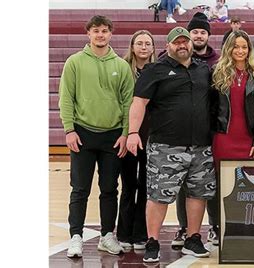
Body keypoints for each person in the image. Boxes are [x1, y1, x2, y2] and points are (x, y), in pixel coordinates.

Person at [127, 27, 215, 262]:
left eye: (185, 41)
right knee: (158, 196)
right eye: (177, 42)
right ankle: (153, 241)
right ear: (168, 46)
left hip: (201, 146)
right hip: (165, 146)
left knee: (198, 194)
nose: (182, 45)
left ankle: (193, 238)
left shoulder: (203, 70)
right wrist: (133, 132)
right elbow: (139, 103)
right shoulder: (155, 70)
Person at [59, 15, 134, 258]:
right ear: (88, 34)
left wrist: (125, 133)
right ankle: (76, 237)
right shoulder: (75, 62)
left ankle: (106, 236)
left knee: (110, 189)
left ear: (111, 34)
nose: (100, 35)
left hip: (112, 137)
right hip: (82, 134)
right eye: (96, 31)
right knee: (79, 189)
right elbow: (66, 98)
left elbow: (127, 104)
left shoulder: (121, 66)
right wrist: (69, 129)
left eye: (104, 30)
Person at [171, 12, 221, 249]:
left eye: (203, 32)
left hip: (210, 132)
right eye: (195, 32)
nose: (199, 35)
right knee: (184, 183)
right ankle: (183, 228)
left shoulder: (218, 62)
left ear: (208, 36)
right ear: (188, 36)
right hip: (182, 134)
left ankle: (214, 226)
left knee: (209, 182)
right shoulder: (172, 59)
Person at [117, 30, 156, 250]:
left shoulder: (158, 70)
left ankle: (141, 233)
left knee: (146, 187)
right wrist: (125, 133)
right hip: (129, 136)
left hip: (151, 137)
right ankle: (123, 233)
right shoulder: (123, 69)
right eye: (139, 43)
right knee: (129, 185)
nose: (143, 47)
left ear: (153, 48)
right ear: (132, 46)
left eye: (147, 43)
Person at [211, 29, 254, 168]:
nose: (240, 51)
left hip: (249, 139)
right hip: (223, 138)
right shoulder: (216, 71)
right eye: (236, 47)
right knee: (223, 184)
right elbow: (211, 107)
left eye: (244, 47)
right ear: (229, 48)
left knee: (245, 185)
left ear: (250, 49)